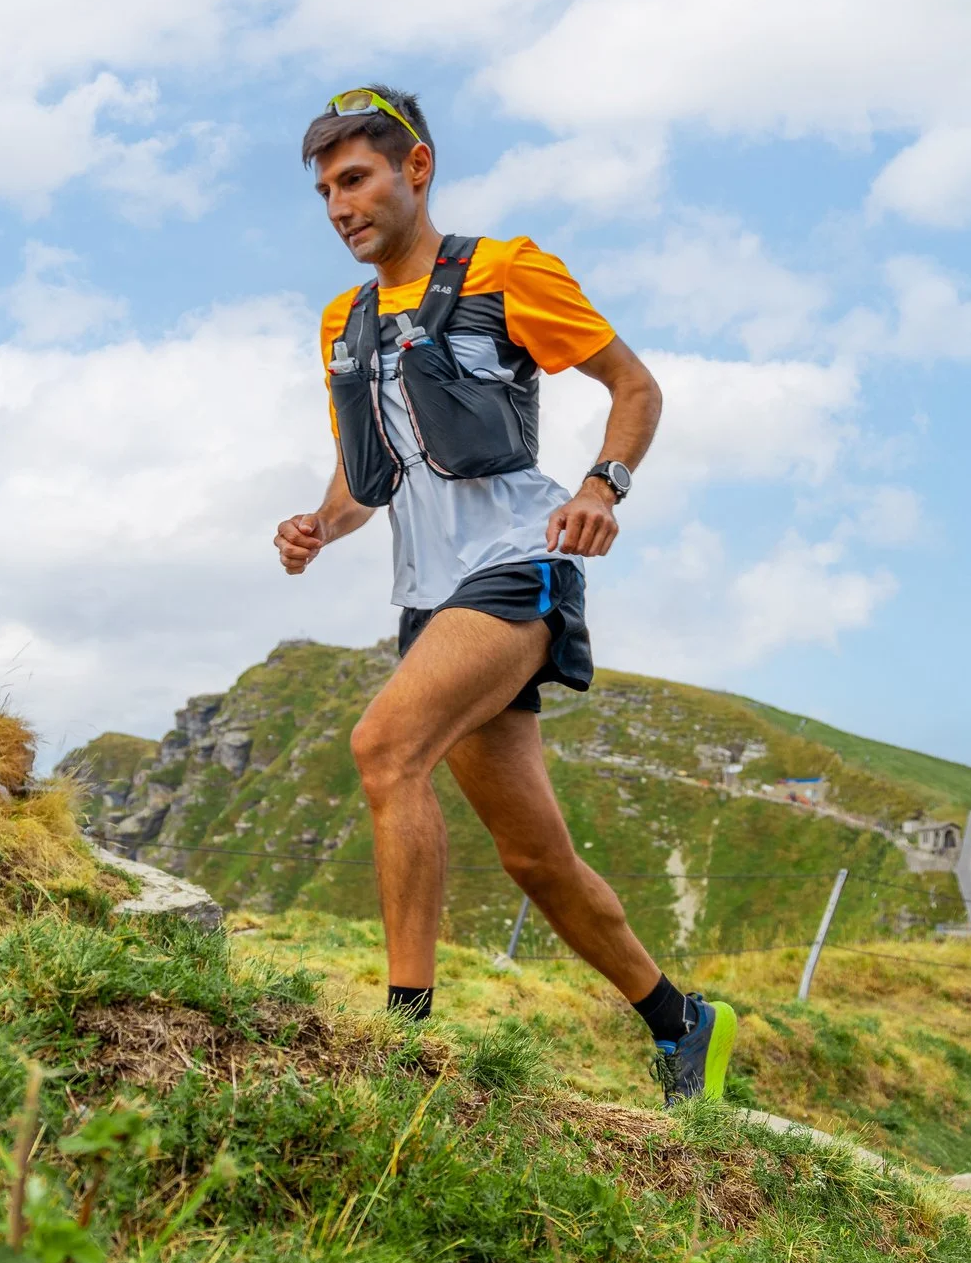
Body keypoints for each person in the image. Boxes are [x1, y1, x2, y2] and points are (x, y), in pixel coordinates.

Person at [273, 84, 735, 1105]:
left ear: (416, 169)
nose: (340, 205)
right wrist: (320, 524)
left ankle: (402, 1041)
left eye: (355, 178)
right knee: (534, 857)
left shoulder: (501, 270)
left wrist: (600, 486)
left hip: (517, 563)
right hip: (425, 593)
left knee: (384, 748)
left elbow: (633, 386)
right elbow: (367, 468)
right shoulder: (339, 322)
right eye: (324, 192)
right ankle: (680, 1020)